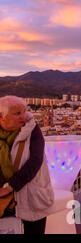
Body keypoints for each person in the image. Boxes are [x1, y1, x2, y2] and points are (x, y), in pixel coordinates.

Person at [0, 96, 54, 234]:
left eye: (24, 111)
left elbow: (35, 162)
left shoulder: (33, 130)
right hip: (5, 202)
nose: (23, 117)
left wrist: (10, 186)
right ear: (2, 117)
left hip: (32, 197)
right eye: (17, 113)